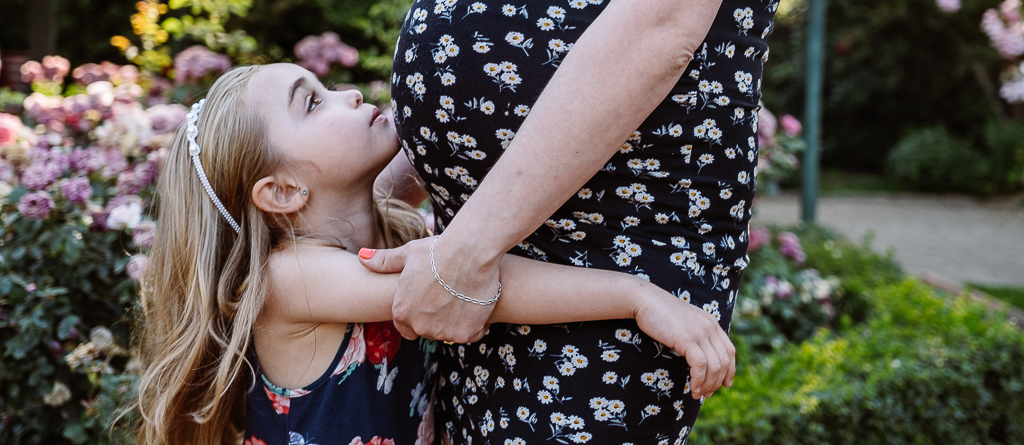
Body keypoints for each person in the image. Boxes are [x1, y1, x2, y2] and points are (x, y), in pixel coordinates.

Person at [369, 0, 831, 442]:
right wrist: (398, 181)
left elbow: (662, 21)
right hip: (489, 222)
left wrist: (463, 248)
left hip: (618, 221)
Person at [132, 63, 735, 445]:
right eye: (311, 102)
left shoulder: (382, 234)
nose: (345, 93)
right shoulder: (292, 279)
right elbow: (475, 285)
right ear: (284, 192)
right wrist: (635, 296)